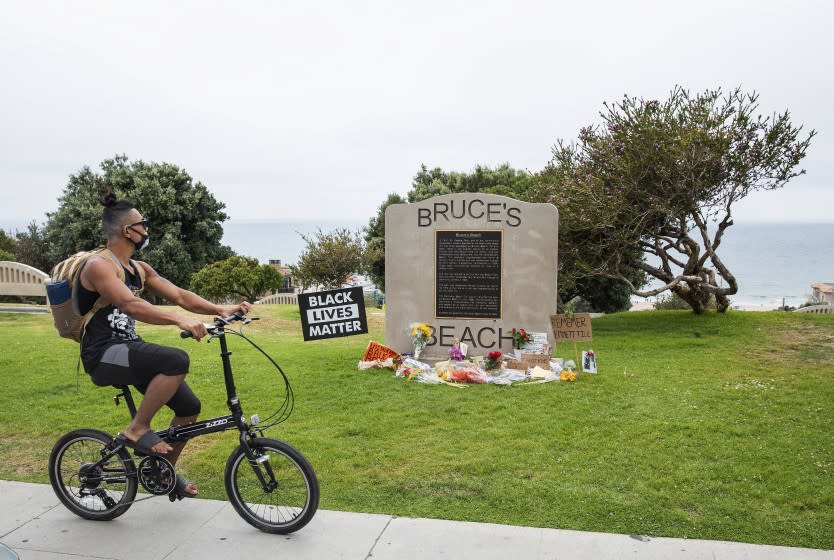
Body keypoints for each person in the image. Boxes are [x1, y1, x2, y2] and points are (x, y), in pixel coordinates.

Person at [77, 192, 251, 498]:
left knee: (188, 408)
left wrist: (219, 310)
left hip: (128, 348)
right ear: (125, 230)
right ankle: (137, 429)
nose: (146, 229)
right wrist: (178, 321)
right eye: (141, 224)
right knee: (175, 360)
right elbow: (129, 304)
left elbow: (181, 295)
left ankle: (162, 474)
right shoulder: (98, 266)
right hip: (103, 354)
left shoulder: (139, 268)